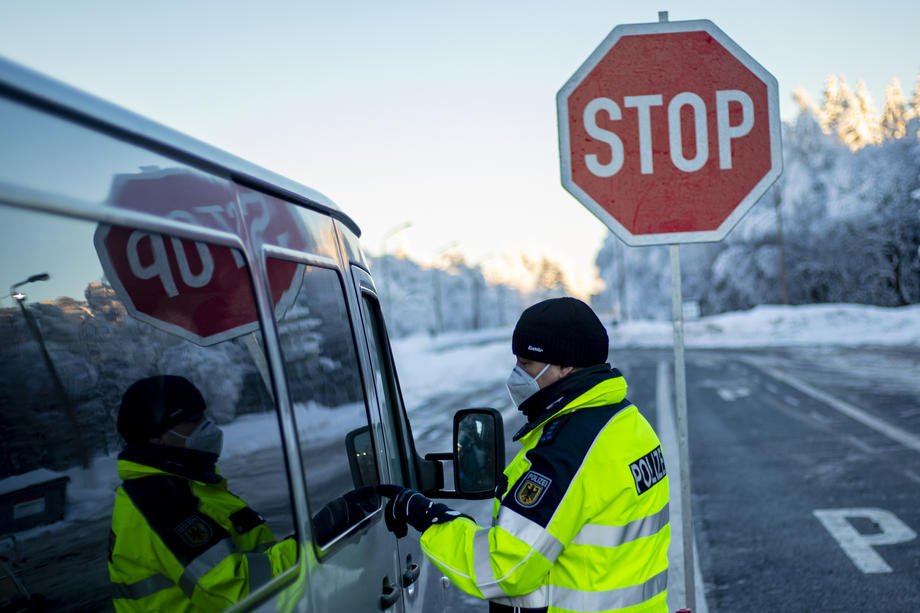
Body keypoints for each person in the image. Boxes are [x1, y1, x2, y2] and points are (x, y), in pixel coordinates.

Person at [378, 297, 670, 613]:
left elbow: (504, 567)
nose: (517, 374)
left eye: (527, 364)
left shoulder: (570, 450)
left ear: (565, 366)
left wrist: (430, 519)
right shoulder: (628, 423)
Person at [108, 375, 297, 612]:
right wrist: (312, 542)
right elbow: (242, 591)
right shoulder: (159, 504)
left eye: (204, 416)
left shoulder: (183, 484)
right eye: (193, 420)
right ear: (154, 435)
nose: (208, 426)